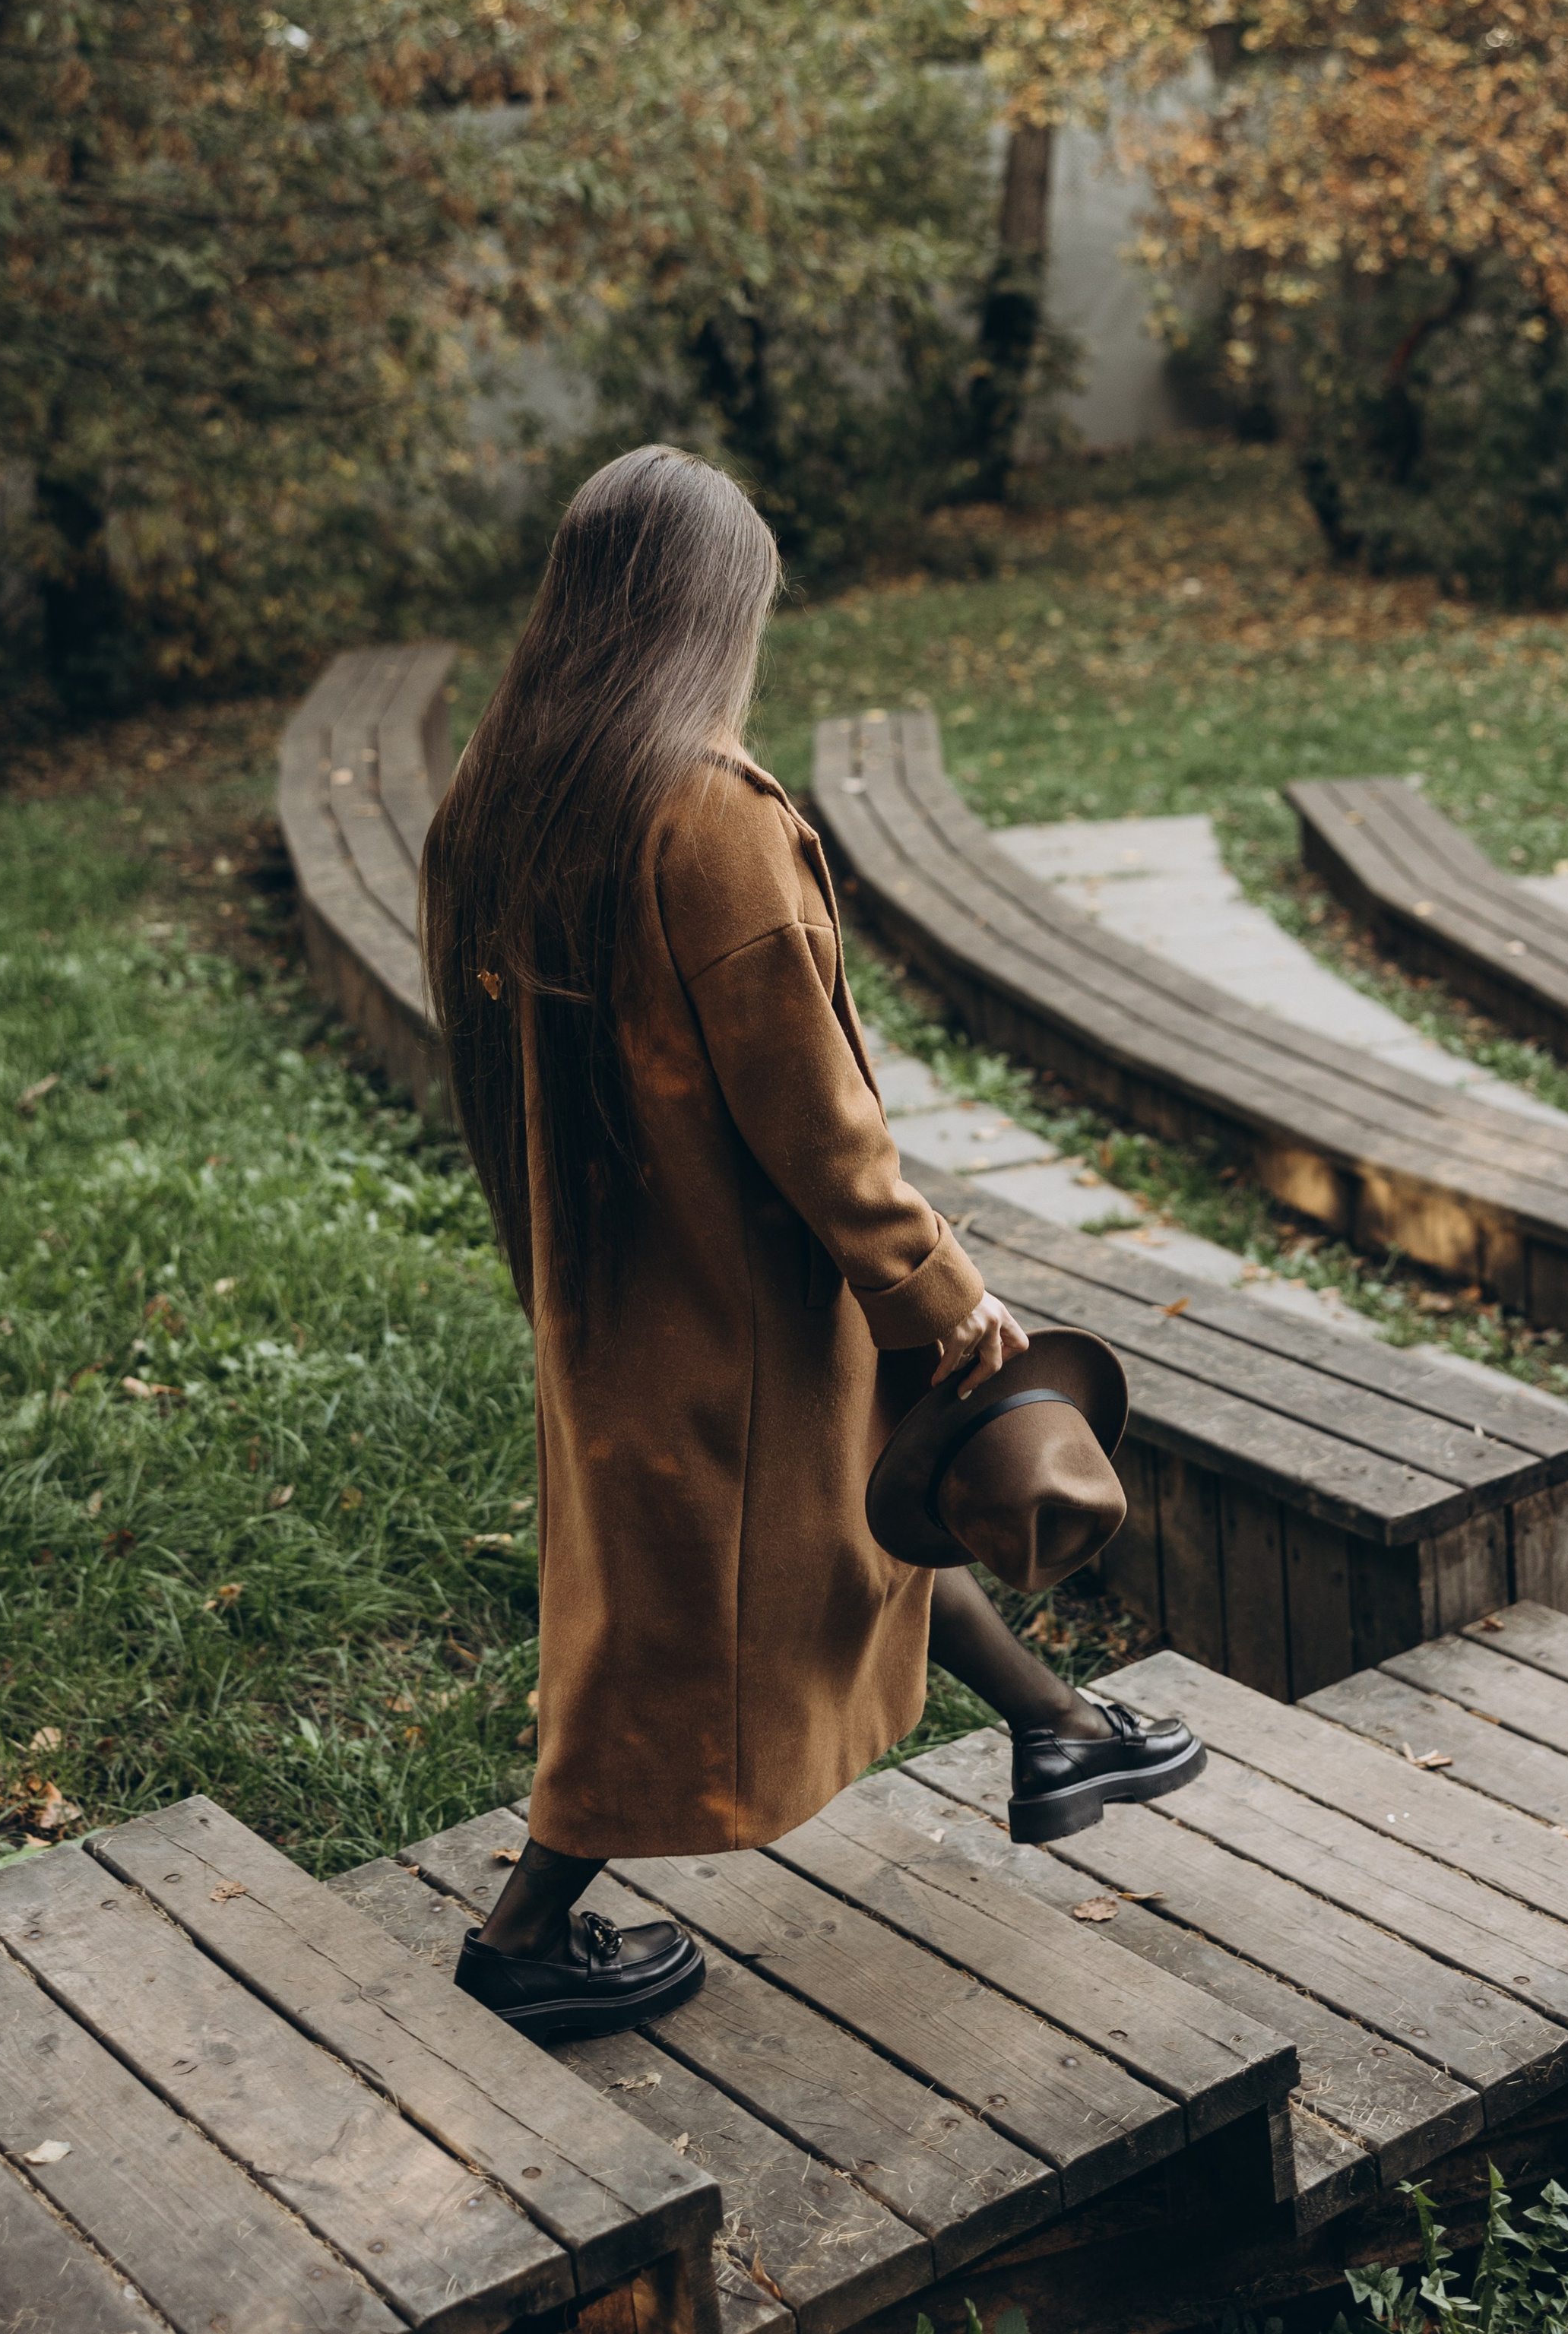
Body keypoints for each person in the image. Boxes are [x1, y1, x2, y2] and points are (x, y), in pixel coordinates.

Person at [420, 446, 1199, 2040]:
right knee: (666, 1621)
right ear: (707, 617)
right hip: (735, 1297)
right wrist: (937, 1284)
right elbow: (809, 1107)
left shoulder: (499, 809)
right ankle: (519, 1933)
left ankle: (1057, 1728)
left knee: (853, 1520)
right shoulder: (697, 813)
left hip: (617, 1284)